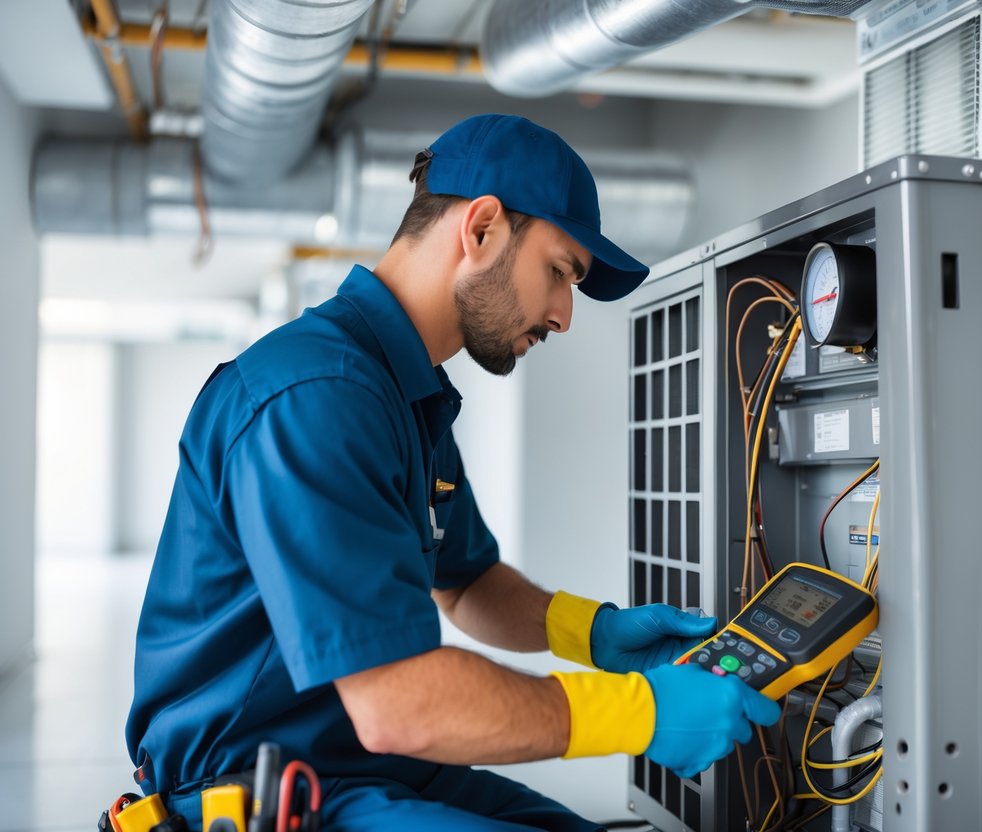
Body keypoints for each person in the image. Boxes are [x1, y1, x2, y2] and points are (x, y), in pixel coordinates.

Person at [126, 113, 781, 831]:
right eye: (558, 272)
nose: (563, 315)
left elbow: (465, 580)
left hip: (365, 765)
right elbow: (396, 702)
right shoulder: (316, 395)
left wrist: (590, 632)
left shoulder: (404, 392)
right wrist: (638, 714)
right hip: (268, 788)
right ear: (481, 228)